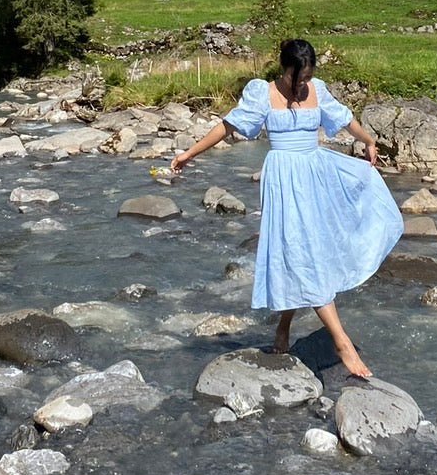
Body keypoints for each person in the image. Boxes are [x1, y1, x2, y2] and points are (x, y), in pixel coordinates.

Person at [170, 38, 402, 378]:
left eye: (308, 76)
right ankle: (342, 342)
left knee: (308, 254)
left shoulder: (318, 90)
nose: (304, 83)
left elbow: (345, 118)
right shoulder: (261, 94)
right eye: (299, 77)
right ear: (284, 69)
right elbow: (228, 125)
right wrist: (188, 154)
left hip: (316, 176)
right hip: (282, 183)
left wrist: (368, 140)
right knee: (299, 253)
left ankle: (283, 327)